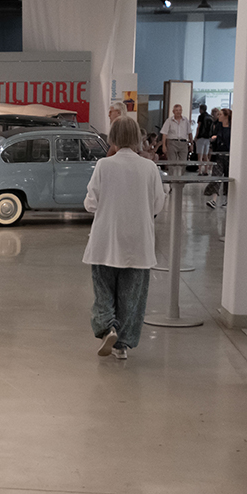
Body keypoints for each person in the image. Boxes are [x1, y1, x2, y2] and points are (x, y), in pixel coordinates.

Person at [82, 116, 166, 360]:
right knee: (132, 295)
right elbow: (158, 203)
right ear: (138, 138)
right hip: (138, 242)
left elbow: (91, 203)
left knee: (104, 290)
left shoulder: (104, 165)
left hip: (105, 240)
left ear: (113, 138)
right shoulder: (149, 168)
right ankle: (122, 344)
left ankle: (108, 327)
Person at [205, 107, 231, 208]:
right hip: (219, 154)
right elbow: (213, 136)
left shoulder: (232, 127)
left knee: (227, 178)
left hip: (229, 155)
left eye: (220, 114)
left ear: (226, 116)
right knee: (216, 176)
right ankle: (214, 199)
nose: (218, 116)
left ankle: (227, 200)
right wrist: (214, 138)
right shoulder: (218, 125)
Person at [160, 103, 192, 174]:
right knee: (172, 162)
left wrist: (191, 144)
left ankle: (181, 179)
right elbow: (164, 133)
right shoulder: (169, 120)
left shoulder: (185, 120)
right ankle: (172, 178)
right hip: (172, 142)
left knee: (183, 162)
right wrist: (164, 145)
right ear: (173, 111)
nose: (178, 112)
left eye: (180, 110)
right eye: (176, 110)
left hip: (183, 142)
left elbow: (189, 132)